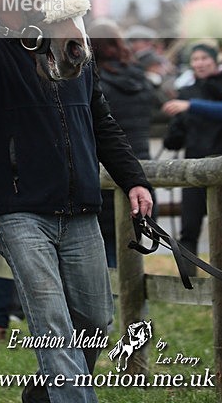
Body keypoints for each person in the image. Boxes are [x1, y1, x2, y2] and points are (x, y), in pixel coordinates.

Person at [0, 21, 153, 403]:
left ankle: (42, 395)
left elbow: (100, 121)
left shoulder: (75, 46)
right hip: (21, 211)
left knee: (95, 323)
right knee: (53, 324)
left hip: (81, 210)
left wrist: (134, 180)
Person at [88, 19, 156, 267]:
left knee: (107, 248)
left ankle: (117, 302)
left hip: (111, 165)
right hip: (142, 165)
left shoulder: (95, 84)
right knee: (134, 241)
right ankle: (136, 305)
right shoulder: (141, 78)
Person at [162, 43, 222, 273]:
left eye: (204, 58)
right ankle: (188, 280)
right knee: (189, 228)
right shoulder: (186, 92)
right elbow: (176, 136)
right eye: (195, 59)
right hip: (192, 167)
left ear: (216, 60)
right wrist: (172, 132)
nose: (200, 63)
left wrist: (187, 106)